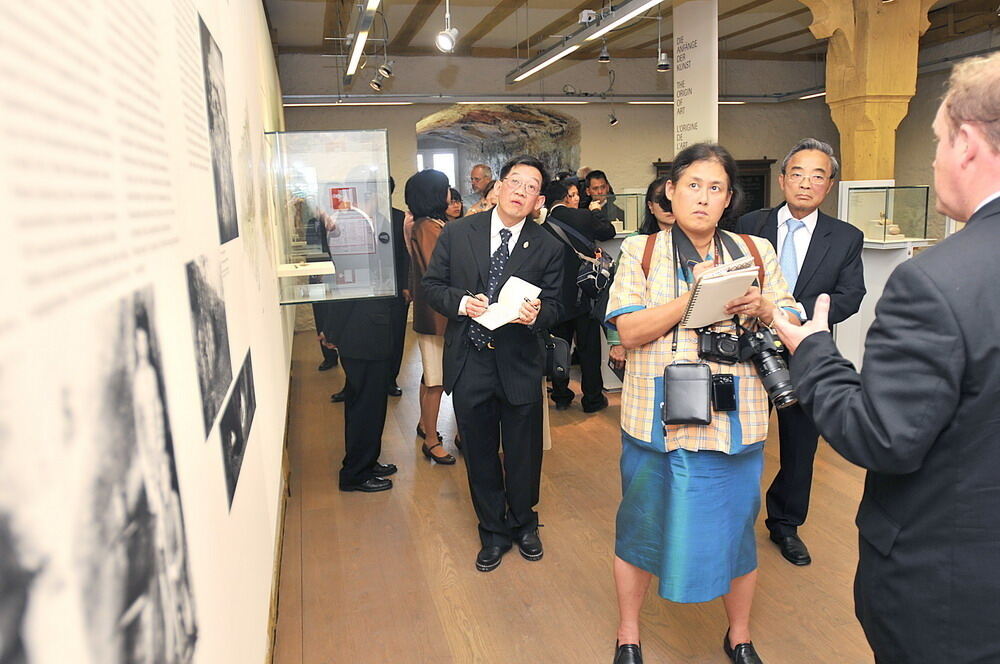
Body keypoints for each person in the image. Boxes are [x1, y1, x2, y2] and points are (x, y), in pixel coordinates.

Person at [769, 52, 1000, 663]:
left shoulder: (936, 280)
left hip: (952, 591)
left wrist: (813, 348)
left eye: (937, 142)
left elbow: (883, 438)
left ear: (969, 144)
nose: (932, 160)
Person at [605, 143, 801, 664]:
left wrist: (762, 305)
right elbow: (629, 327)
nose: (703, 197)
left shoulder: (756, 251)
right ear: (670, 191)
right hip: (657, 417)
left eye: (716, 188)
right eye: (692, 184)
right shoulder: (640, 252)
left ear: (728, 198)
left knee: (737, 528)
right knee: (641, 525)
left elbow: (791, 322)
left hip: (735, 420)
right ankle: (629, 634)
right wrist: (693, 297)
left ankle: (738, 635)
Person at [423, 155, 564, 573]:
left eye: (531, 186)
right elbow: (432, 286)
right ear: (499, 187)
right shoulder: (458, 233)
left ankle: (523, 522)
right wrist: (461, 303)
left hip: (518, 360)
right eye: (515, 182)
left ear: (539, 199)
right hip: (471, 359)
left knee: (523, 452)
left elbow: (559, 305)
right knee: (480, 452)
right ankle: (492, 530)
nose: (521, 191)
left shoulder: (548, 245)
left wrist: (539, 314)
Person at [735, 138, 865, 566]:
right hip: (745, 347)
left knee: (800, 444)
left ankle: (785, 524)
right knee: (738, 436)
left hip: (806, 350)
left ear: (829, 185)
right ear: (782, 179)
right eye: (797, 174)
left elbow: (851, 294)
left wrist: (793, 316)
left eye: (817, 176)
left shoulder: (845, 237)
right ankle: (733, 519)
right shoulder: (748, 224)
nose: (805, 183)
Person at [542, 179, 616, 412]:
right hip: (585, 293)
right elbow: (608, 231)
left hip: (555, 297)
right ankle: (592, 399)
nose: (576, 199)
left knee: (558, 346)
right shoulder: (584, 216)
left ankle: (562, 395)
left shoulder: (540, 225)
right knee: (589, 348)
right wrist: (596, 212)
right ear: (566, 197)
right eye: (573, 194)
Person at [406, 169, 457, 465]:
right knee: (436, 379)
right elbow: (438, 269)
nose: (449, 193)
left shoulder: (434, 223)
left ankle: (426, 425)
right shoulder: (427, 227)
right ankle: (432, 440)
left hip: (439, 314)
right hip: (438, 316)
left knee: (432, 375)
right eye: (445, 187)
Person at [607, 176, 674, 375]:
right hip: (643, 335)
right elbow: (618, 294)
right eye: (660, 200)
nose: (667, 206)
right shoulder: (636, 243)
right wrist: (617, 342)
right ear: (650, 206)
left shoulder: (697, 242)